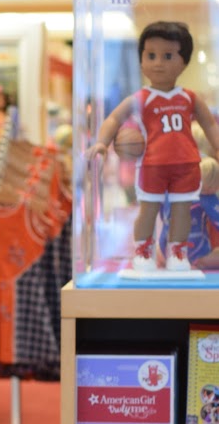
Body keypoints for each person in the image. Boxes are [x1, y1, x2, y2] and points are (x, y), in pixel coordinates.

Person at [88, 21, 219, 277]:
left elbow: (210, 125)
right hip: (152, 165)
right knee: (148, 210)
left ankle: (177, 252)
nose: (158, 63)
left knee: (182, 211)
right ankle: (143, 251)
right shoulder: (140, 97)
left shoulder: (189, 97)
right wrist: (102, 142)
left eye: (167, 56)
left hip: (186, 165)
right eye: (151, 55)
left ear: (183, 62)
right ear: (141, 60)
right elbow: (114, 119)